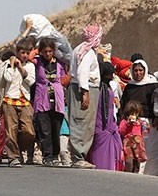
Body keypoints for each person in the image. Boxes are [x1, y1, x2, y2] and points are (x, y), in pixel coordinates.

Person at [68, 24, 103, 169]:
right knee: (81, 122)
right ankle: (78, 157)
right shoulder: (87, 52)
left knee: (83, 122)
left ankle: (79, 156)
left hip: (83, 88)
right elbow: (83, 72)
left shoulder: (81, 49)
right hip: (84, 89)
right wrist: (85, 93)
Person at [0, 39, 36, 167]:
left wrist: (21, 69)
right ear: (17, 52)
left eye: (27, 52)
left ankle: (19, 149)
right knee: (11, 130)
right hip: (10, 100)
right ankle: (13, 157)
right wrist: (11, 65)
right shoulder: (9, 65)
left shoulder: (30, 66)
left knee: (29, 131)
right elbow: (7, 78)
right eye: (22, 52)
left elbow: (31, 81)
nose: (25, 55)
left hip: (24, 101)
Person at [119, 59, 158, 175]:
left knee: (150, 150)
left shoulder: (152, 86)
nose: (138, 73)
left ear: (145, 71)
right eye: (135, 70)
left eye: (141, 70)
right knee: (135, 150)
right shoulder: (129, 87)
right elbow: (123, 104)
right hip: (132, 124)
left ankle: (151, 173)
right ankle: (137, 173)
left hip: (149, 124)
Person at [33, 38, 66, 166]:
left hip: (57, 101)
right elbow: (30, 57)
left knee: (55, 129)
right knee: (44, 130)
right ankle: (47, 156)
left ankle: (55, 155)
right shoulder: (38, 62)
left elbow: (65, 76)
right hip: (42, 100)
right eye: (45, 51)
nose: (47, 54)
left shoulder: (59, 64)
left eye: (50, 51)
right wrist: (37, 50)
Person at [88, 62, 122, 170]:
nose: (112, 76)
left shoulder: (108, 87)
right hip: (101, 123)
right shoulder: (99, 88)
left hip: (110, 122)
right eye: (110, 73)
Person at [119, 101, 147, 173]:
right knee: (129, 161)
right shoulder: (125, 122)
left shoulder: (140, 122)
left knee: (137, 162)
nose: (134, 115)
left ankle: (135, 174)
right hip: (128, 143)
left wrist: (145, 126)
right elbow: (121, 131)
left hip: (138, 144)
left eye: (136, 113)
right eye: (132, 113)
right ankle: (128, 173)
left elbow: (145, 133)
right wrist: (127, 124)